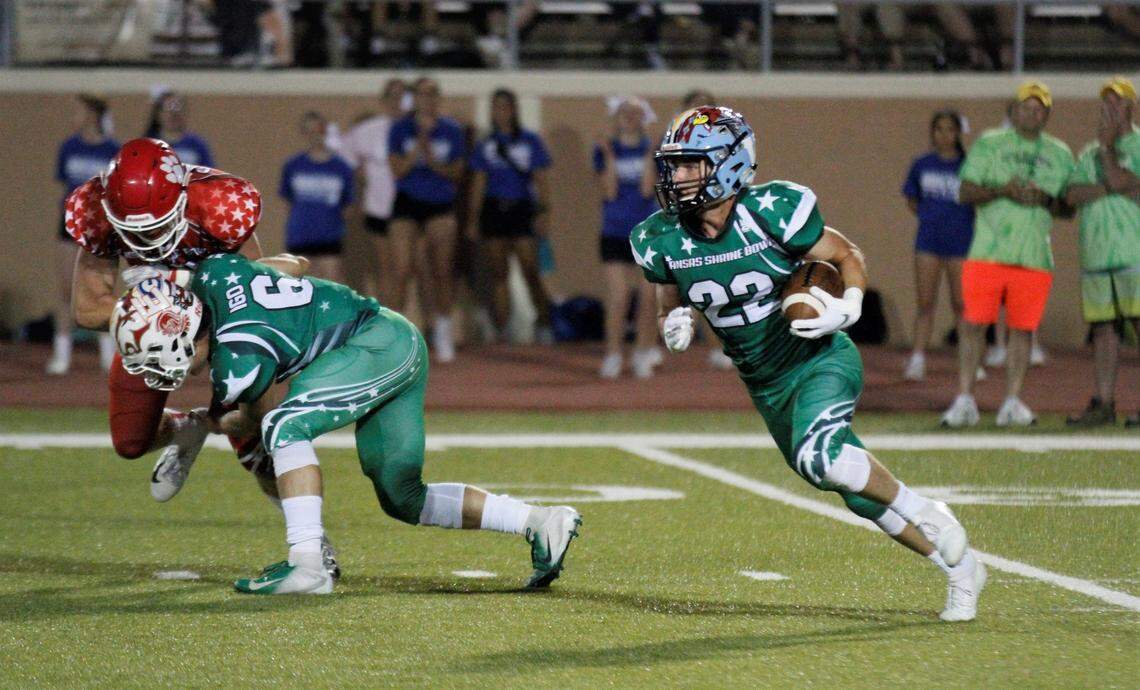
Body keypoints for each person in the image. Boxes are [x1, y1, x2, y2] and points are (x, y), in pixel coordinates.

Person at [631, 105, 984, 622]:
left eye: (689, 164)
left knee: (820, 458)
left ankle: (928, 512)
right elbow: (669, 296)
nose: (676, 177)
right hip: (765, 384)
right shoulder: (659, 238)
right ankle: (961, 570)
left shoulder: (770, 211)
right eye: (674, 165)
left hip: (819, 359)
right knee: (854, 492)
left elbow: (846, 256)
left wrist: (850, 305)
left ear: (730, 163)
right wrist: (671, 322)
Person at [109, 257, 582, 594]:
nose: (152, 369)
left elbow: (250, 419)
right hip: (389, 337)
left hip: (376, 344)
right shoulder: (216, 272)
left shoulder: (238, 360)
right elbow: (293, 263)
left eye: (152, 355)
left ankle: (307, 564)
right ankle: (539, 522)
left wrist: (195, 425)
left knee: (283, 425)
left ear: (178, 334)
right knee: (402, 496)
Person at [64, 138, 266, 500]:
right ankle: (190, 428)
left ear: (181, 198)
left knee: (257, 451)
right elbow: (87, 309)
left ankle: (307, 533)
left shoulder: (219, 206)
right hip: (152, 332)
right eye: (132, 228)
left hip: (222, 324)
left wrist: (184, 298)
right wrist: (158, 313)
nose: (145, 237)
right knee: (131, 441)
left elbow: (253, 294)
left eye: (156, 225)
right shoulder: (95, 212)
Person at [942, 81, 1074, 427]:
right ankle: (965, 399)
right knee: (973, 326)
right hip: (987, 251)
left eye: (1039, 108)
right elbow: (965, 191)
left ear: (1047, 114)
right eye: (1026, 107)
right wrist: (1003, 190)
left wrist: (1045, 199)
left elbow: (1068, 207)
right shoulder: (990, 143)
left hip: (1034, 255)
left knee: (1023, 330)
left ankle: (1012, 401)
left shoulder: (1060, 152)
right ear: (1013, 111)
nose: (1032, 113)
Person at [1065, 76, 1140, 427]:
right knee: (1103, 330)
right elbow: (1071, 195)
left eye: (1117, 101)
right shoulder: (1088, 152)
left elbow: (1121, 181)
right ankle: (1104, 402)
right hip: (1096, 254)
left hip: (1133, 253)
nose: (1110, 107)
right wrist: (1113, 185)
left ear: (1131, 107)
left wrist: (1109, 153)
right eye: (1106, 101)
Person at [466, 88, 555, 343]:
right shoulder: (486, 144)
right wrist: (473, 219)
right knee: (499, 272)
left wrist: (544, 212)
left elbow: (541, 179)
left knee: (530, 269)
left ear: (514, 110)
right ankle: (503, 327)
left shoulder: (529, 141)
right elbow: (478, 182)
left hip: (521, 208)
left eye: (505, 107)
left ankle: (544, 321)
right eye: (496, 107)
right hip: (494, 209)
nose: (501, 112)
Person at [388, 77, 466, 362]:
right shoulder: (400, 129)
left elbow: (456, 172)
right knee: (402, 269)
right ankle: (394, 338)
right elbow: (398, 169)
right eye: (421, 94)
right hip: (407, 202)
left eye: (432, 93)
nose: (427, 99)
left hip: (439, 203)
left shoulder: (451, 130)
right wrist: (418, 146)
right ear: (415, 98)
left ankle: (443, 330)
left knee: (442, 270)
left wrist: (432, 157)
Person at [49, 95, 120, 376]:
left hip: (100, 225)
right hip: (69, 222)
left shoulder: (113, 150)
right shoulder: (69, 146)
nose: (74, 116)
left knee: (99, 289)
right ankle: (62, 353)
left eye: (79, 111)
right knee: (66, 289)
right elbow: (64, 183)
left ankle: (108, 354)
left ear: (93, 114)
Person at [901, 110, 974, 381]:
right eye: (939, 129)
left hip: (961, 242)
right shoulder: (922, 164)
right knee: (925, 303)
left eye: (950, 130)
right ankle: (918, 358)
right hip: (928, 242)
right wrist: (930, 217)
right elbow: (912, 199)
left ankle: (969, 360)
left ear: (958, 133)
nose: (944, 135)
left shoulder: (969, 166)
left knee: (961, 305)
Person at [594, 96, 661, 379]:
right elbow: (609, 191)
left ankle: (642, 352)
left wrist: (649, 153)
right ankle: (613, 354)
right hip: (614, 230)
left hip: (647, 232)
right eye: (625, 112)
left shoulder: (654, 150)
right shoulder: (604, 150)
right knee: (619, 297)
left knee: (648, 297)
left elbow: (647, 190)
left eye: (636, 113)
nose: (630, 117)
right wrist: (609, 155)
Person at [337, 78, 408, 303]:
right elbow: (344, 155)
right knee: (385, 267)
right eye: (393, 97)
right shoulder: (369, 130)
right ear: (384, 100)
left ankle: (406, 314)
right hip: (379, 207)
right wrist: (361, 174)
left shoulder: (415, 129)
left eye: (402, 97)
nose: (398, 103)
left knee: (405, 267)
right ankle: (390, 316)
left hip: (410, 208)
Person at [279, 111, 354, 283]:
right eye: (309, 131)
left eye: (318, 130)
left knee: (331, 283)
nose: (315, 135)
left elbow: (347, 205)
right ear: (304, 134)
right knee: (301, 286)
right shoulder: (293, 165)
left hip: (330, 236)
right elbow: (288, 201)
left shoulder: (341, 167)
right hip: (300, 236)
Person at [144, 91, 215, 168]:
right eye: (168, 111)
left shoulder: (197, 144)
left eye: (178, 111)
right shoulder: (149, 145)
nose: (173, 116)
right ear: (158, 114)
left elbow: (208, 171)